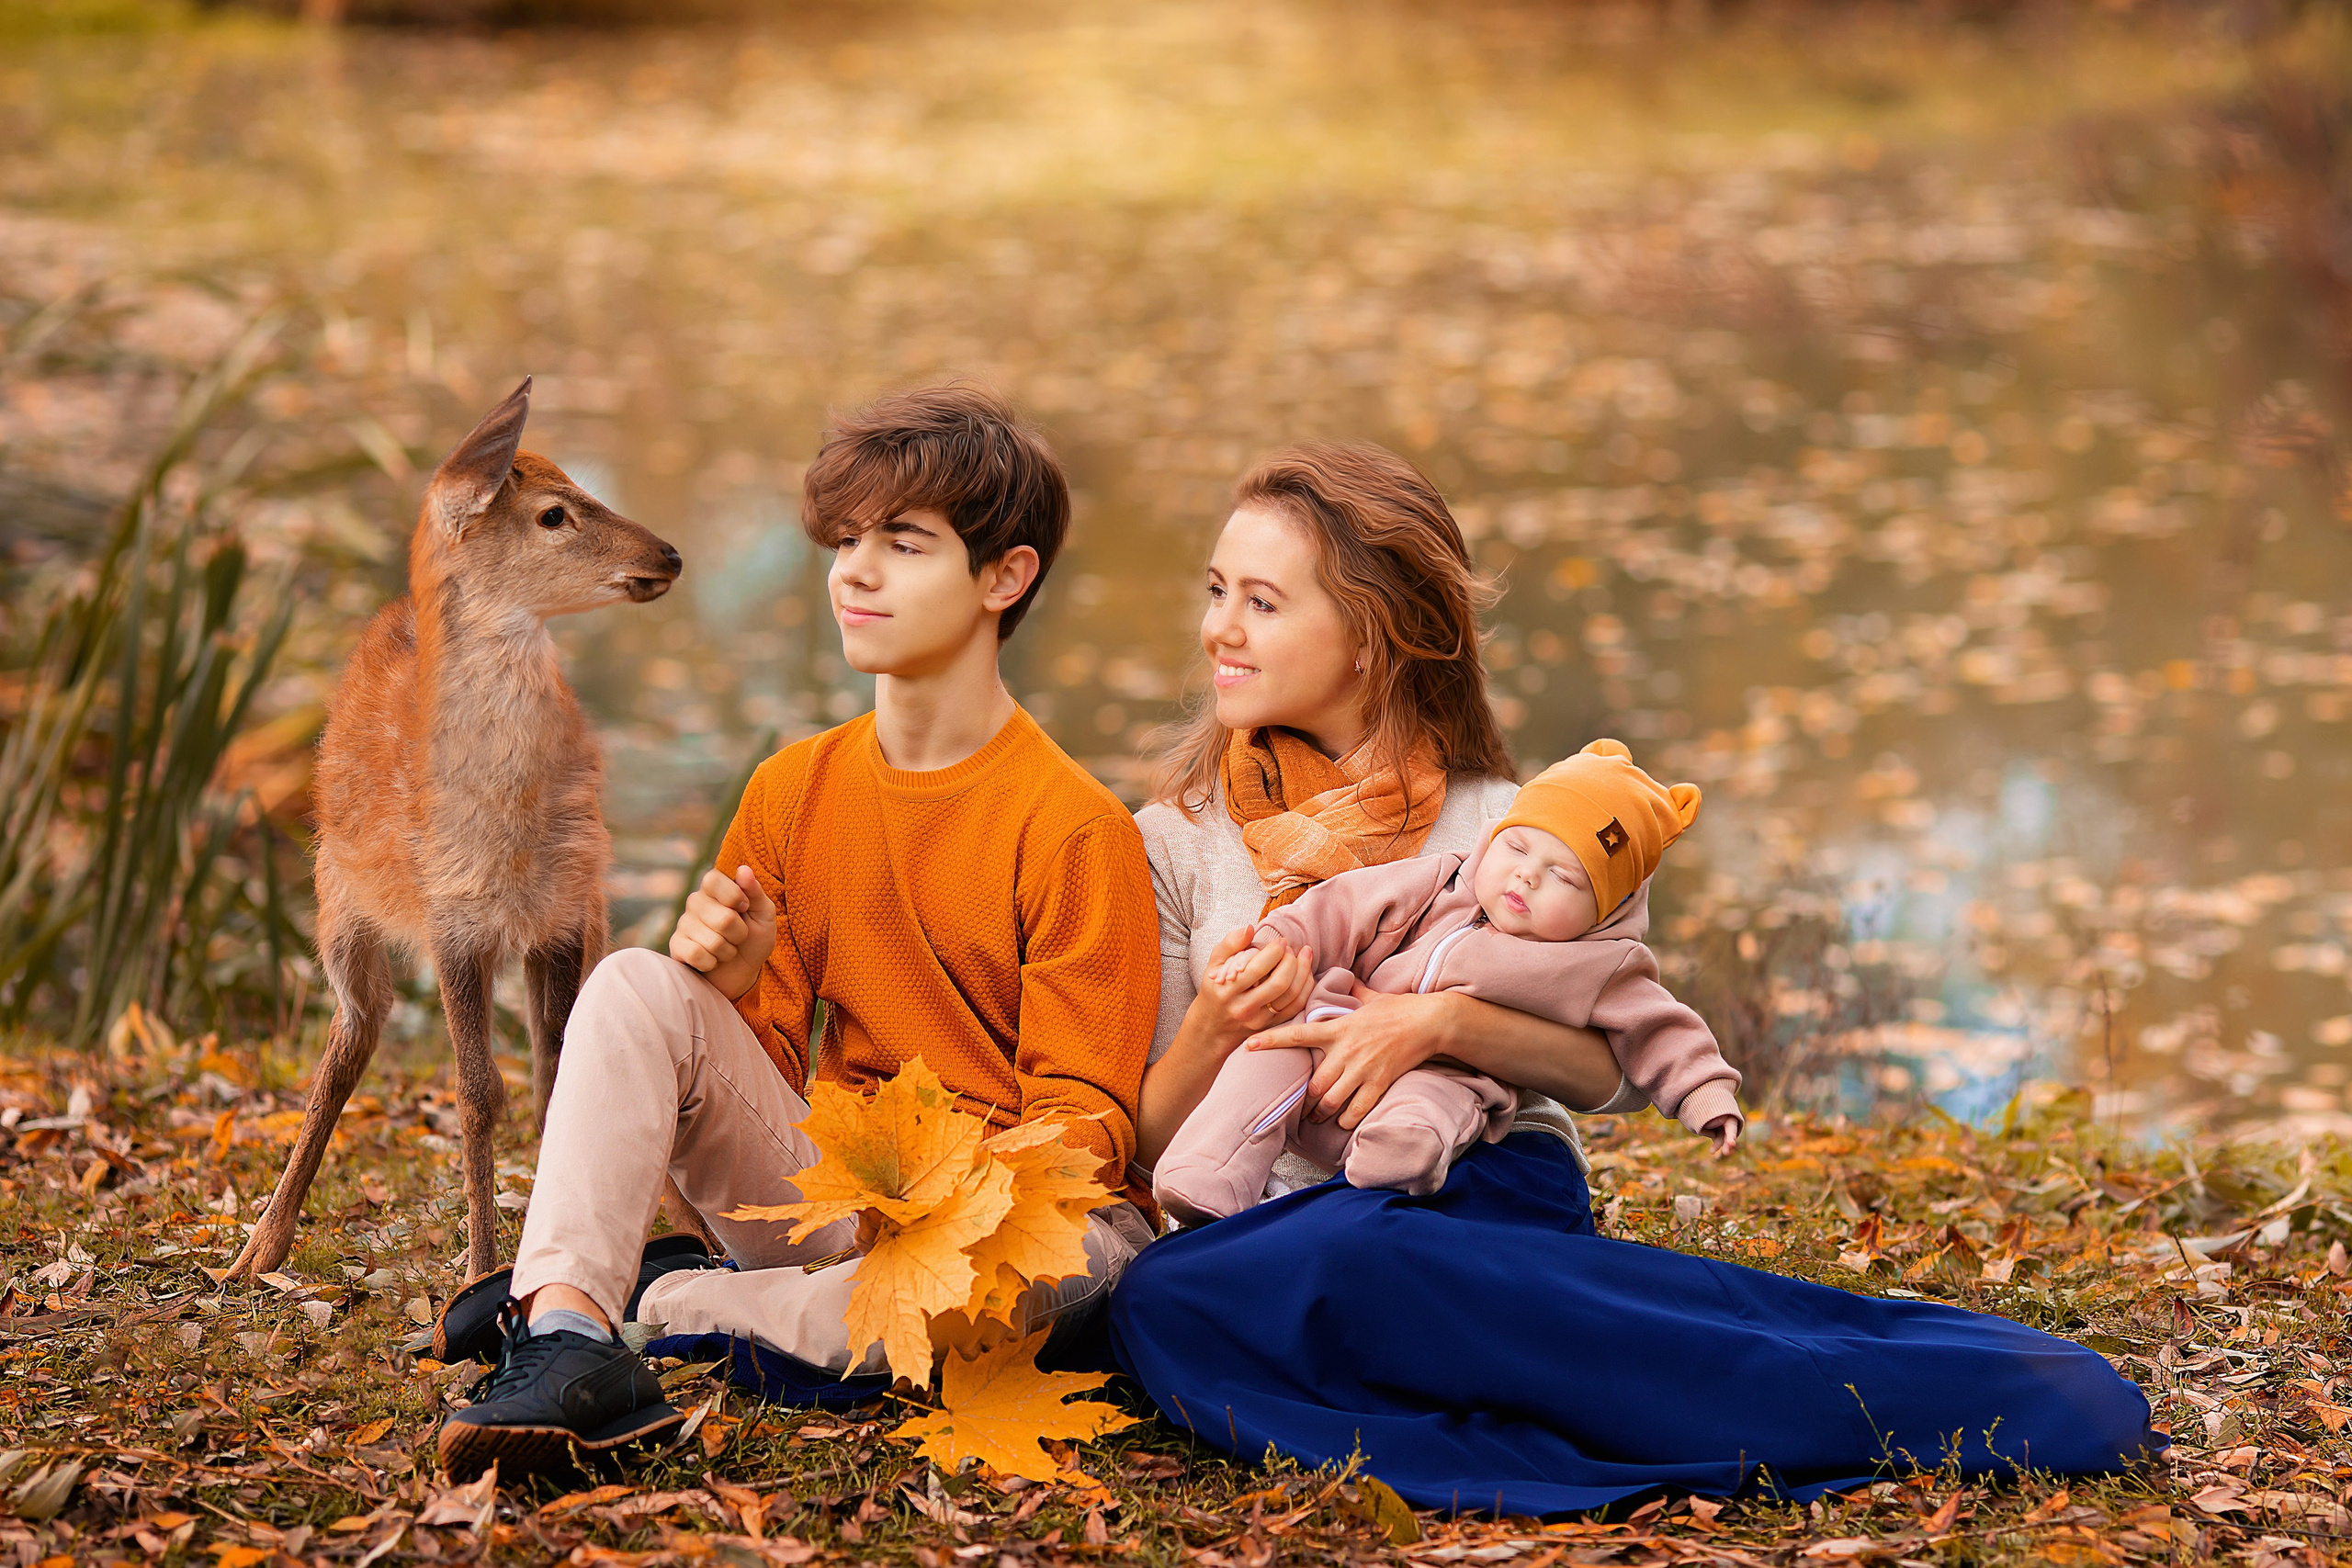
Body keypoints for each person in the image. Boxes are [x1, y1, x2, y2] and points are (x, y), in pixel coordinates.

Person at [1110, 441, 2159, 1513]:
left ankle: (1919, 1389)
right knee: (1163, 1298)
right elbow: (1146, 1140)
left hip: (1477, 1185)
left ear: (1376, 634)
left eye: (1262, 602)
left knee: (1280, 1292)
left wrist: (1431, 1022)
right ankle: (1562, 1389)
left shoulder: (1513, 823)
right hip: (1285, 1228)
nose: (1218, 630)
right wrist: (1216, 1030)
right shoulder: (1173, 844)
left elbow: (1602, 1066)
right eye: (1215, 592)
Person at [435, 385, 1161, 1482]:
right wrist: (728, 990)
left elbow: (1085, 1127)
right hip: (834, 1202)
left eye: (903, 544)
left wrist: (940, 1206)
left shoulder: (1074, 827)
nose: (853, 573)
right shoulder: (792, 790)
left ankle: (658, 1302)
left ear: (1005, 577)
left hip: (990, 1230)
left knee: (1034, 1287)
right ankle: (577, 1339)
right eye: (846, 541)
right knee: (635, 984)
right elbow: (730, 1138)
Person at [1151, 739, 1741, 1224]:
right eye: (1515, 846)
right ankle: (1214, 1176)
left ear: (1606, 910)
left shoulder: (1600, 964)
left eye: (1563, 876)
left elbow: (1663, 1031)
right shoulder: (1439, 882)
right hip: (1330, 1033)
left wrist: (1705, 1097)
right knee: (1266, 1055)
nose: (1525, 876)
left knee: (1431, 1108)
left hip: (1449, 1080)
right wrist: (1268, 951)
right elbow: (1337, 910)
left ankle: (1384, 1179)